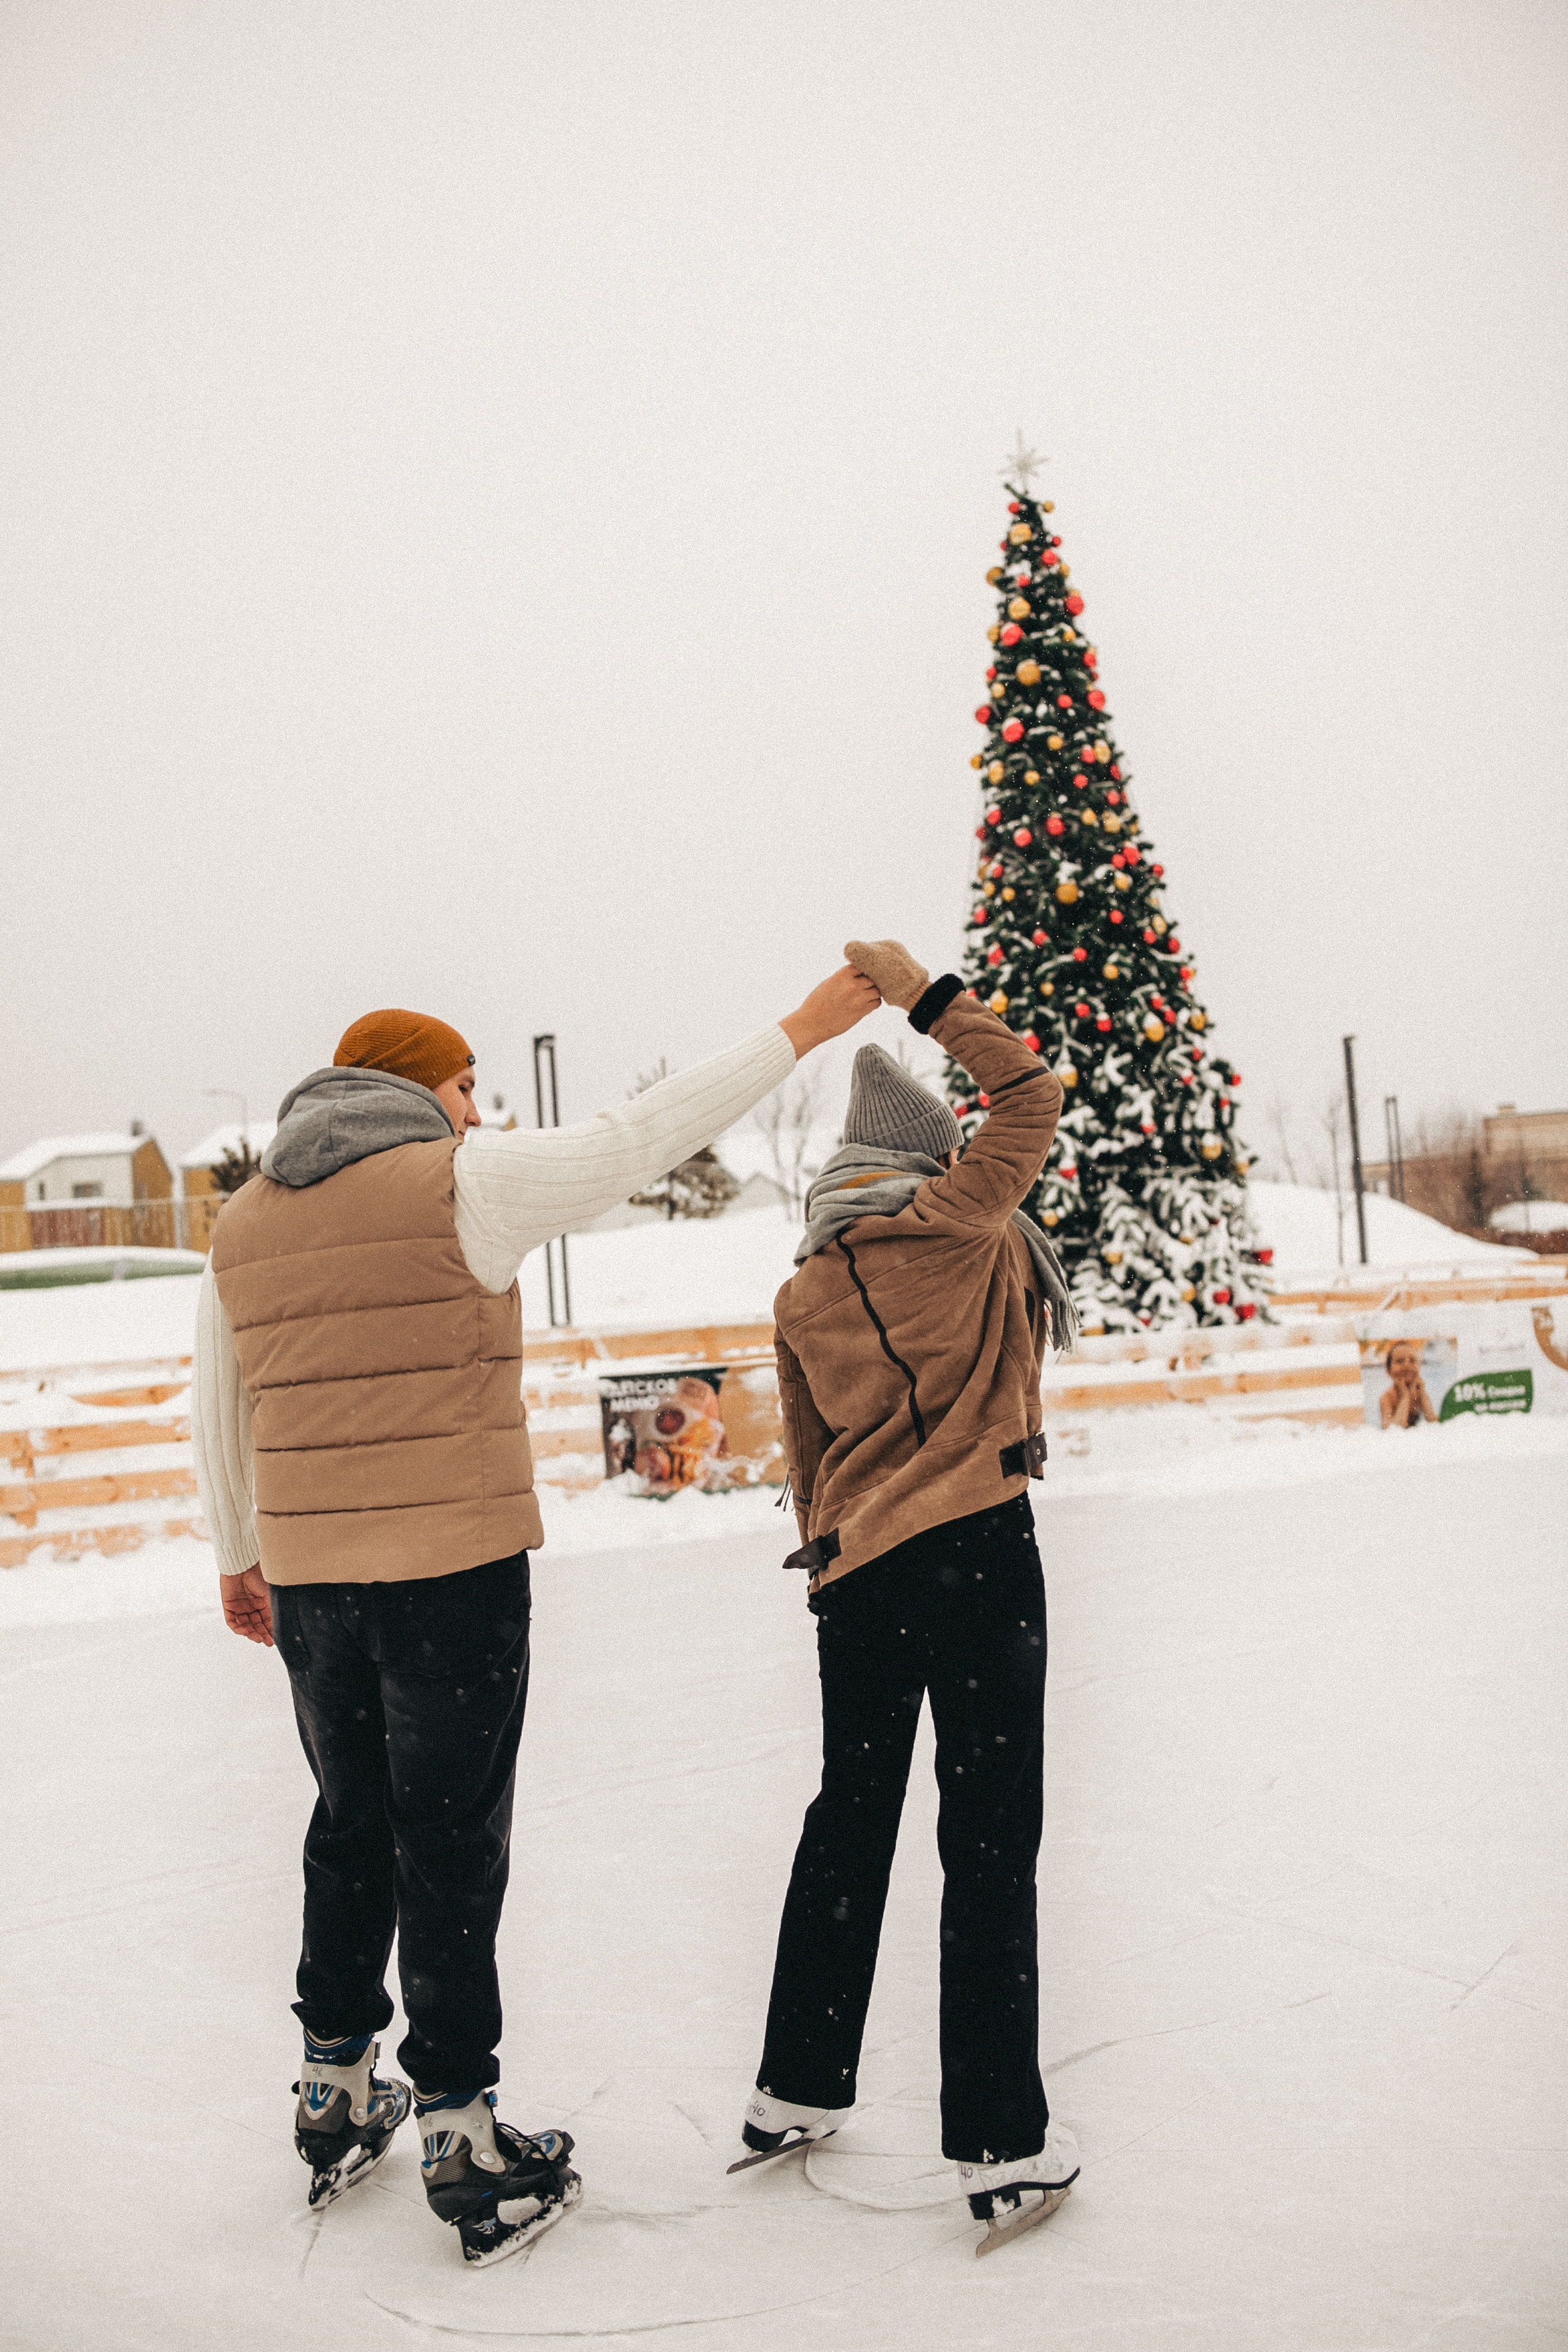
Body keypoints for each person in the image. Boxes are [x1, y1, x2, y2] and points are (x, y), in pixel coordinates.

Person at [192, 965, 879, 2266]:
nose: (474, 1108)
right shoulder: (464, 1177)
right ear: (412, 1088)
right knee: (449, 1839)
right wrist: (802, 1026)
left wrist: (240, 1552)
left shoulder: (245, 1220)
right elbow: (638, 1138)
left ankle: (334, 2083)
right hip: (449, 1573)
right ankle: (461, 2128)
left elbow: (217, 1394)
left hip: (316, 1582)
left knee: (350, 1821)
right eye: (461, 1085)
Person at [735, 939, 1082, 2258]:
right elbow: (1032, 1096)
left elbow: (808, 1458)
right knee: (985, 1840)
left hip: (860, 1575)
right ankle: (999, 2146)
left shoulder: (805, 1282)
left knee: (849, 1823)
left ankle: (793, 2088)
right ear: (934, 1156)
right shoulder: (955, 1220)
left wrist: (831, 1554)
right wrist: (925, 993)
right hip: (979, 1551)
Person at [1379, 1339, 1437, 1429]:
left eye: (1413, 1361)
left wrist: (1422, 1394)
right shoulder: (1387, 1398)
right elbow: (1391, 1431)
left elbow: (1434, 1424)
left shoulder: (1420, 1393)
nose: (1407, 1365)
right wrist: (1405, 1396)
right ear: (1388, 1371)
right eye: (1400, 1361)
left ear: (1419, 1367)